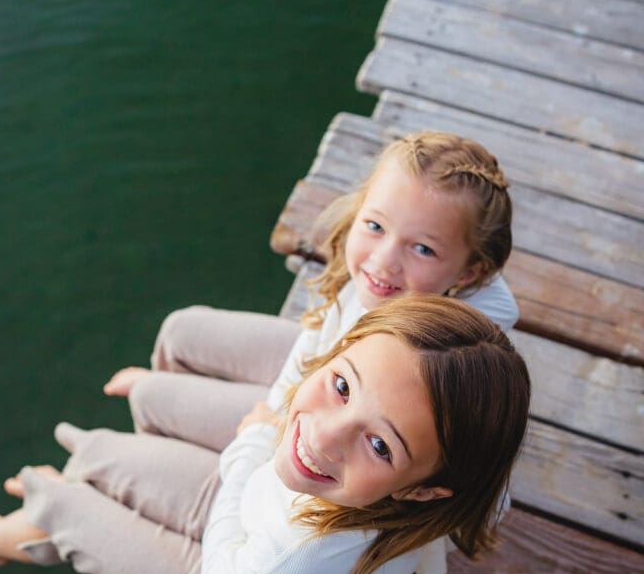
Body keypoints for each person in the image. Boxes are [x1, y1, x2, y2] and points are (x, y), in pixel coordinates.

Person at [0, 296, 530, 574]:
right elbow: (489, 485)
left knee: (64, 503)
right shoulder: (445, 479)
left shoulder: (293, 562)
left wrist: (249, 451)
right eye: (343, 386)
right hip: (262, 512)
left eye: (380, 445)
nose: (324, 435)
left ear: (426, 491)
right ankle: (69, 511)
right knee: (103, 457)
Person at [103, 131, 518, 459]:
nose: (384, 260)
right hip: (318, 373)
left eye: (423, 248)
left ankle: (173, 449)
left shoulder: (427, 357)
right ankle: (181, 416)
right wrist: (278, 400)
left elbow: (333, 440)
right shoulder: (392, 285)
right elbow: (311, 346)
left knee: (151, 399)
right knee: (180, 330)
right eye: (375, 225)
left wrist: (264, 430)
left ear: (470, 271)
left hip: (312, 438)